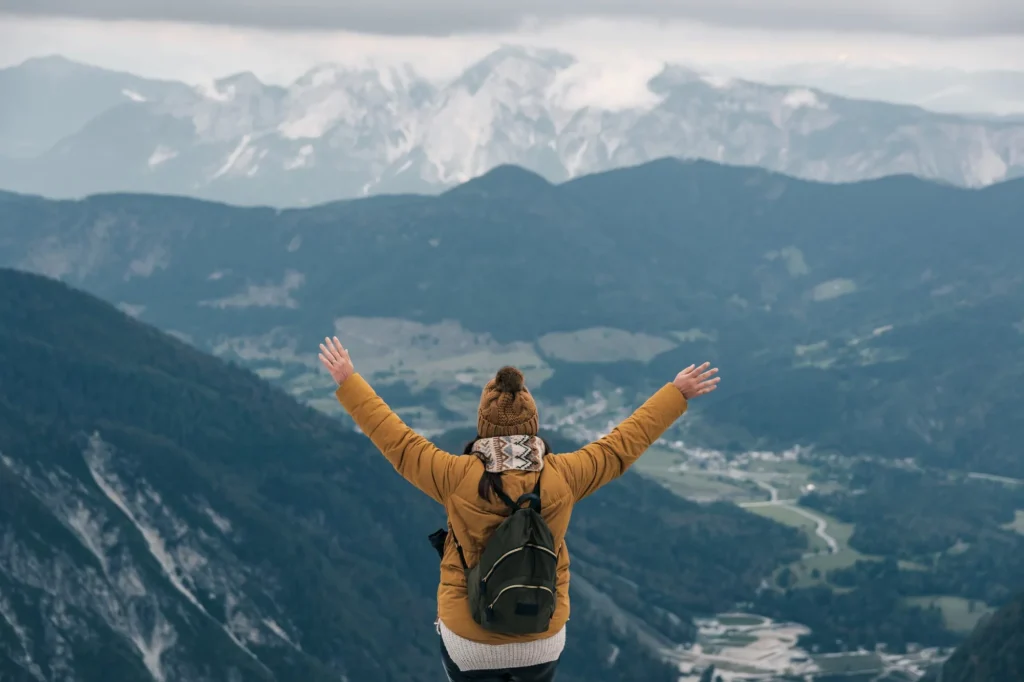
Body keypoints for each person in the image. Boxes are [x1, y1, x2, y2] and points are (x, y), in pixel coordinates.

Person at [318, 336, 720, 682]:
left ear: (482, 425)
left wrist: (348, 381)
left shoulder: (455, 476)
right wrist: (676, 393)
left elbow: (397, 441)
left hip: (469, 638)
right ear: (533, 426)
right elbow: (621, 445)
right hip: (540, 637)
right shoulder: (563, 476)